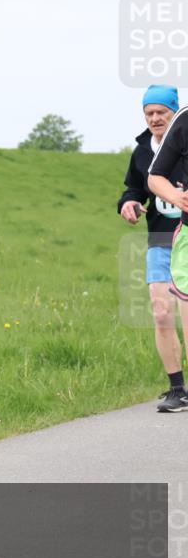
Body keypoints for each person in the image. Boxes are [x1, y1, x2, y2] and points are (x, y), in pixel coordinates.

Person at [119, 85, 188, 412]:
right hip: (160, 240)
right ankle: (177, 388)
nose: (155, 118)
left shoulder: (183, 138)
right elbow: (134, 187)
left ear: (174, 112)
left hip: (184, 234)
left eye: (162, 112)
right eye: (149, 113)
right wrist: (129, 202)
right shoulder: (142, 151)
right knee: (161, 311)